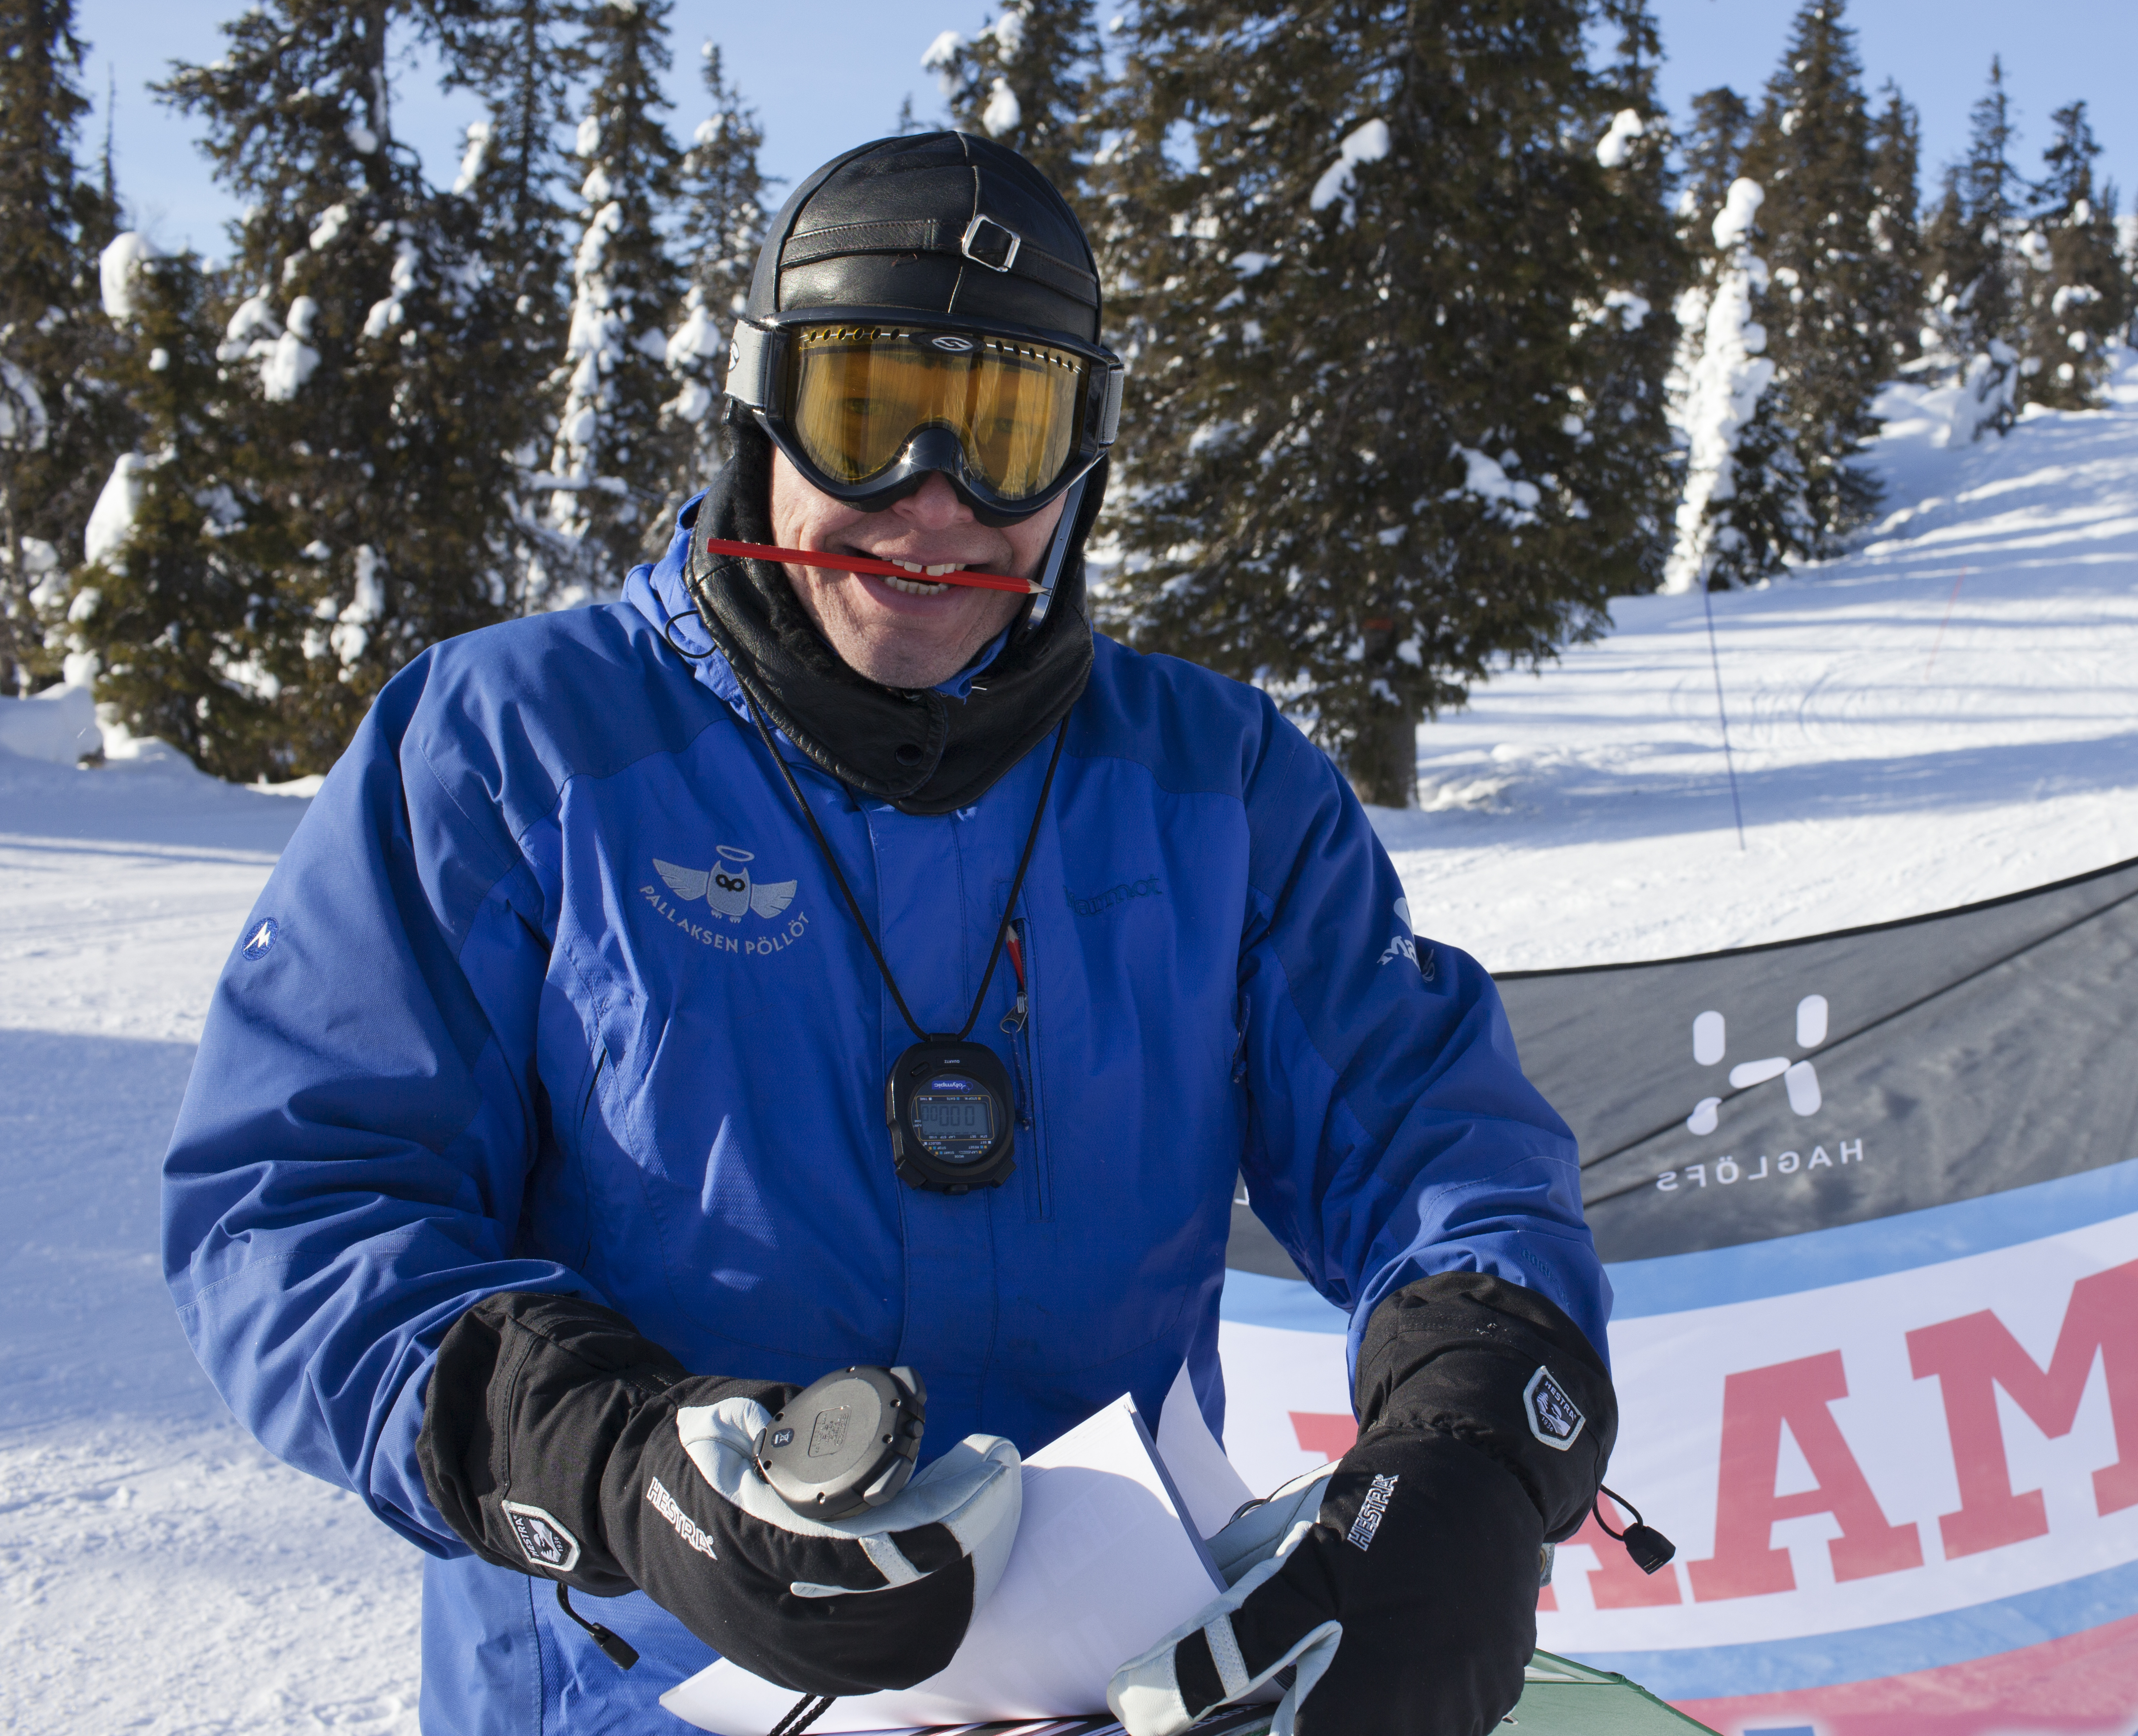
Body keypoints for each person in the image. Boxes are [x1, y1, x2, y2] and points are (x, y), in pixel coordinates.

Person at [162, 132, 1615, 1736]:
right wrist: (610, 1459)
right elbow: (299, 1208)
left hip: (1101, 1692)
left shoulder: (1221, 785)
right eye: (868, 418)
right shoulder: (512, 746)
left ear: (1083, 460)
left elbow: (1432, 1143)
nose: (936, 504)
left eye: (1007, 434)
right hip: (636, 1693)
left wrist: (1478, 1446)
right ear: (762, 411)